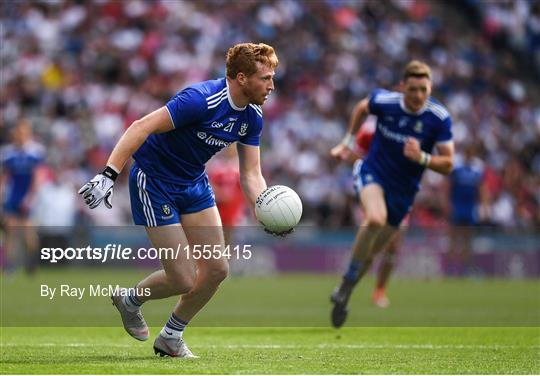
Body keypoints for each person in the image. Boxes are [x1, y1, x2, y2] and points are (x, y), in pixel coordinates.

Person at [78, 43, 280, 357]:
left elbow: (252, 175)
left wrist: (265, 208)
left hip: (194, 182)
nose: (271, 85)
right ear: (241, 78)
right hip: (155, 180)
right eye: (266, 78)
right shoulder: (200, 100)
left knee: (216, 269)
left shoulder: (252, 116)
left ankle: (171, 336)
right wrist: (108, 174)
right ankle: (131, 299)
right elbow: (140, 126)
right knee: (184, 278)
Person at [329, 60, 454, 328]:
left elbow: (448, 164)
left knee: (373, 252)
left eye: (423, 89)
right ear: (402, 87)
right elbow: (362, 107)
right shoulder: (385, 102)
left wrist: (421, 156)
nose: (418, 96)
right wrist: (347, 143)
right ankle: (349, 279)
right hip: (373, 172)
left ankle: (346, 288)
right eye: (413, 89)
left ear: (430, 88)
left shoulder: (439, 118)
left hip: (404, 192)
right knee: (374, 218)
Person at [350, 119, 404, 309]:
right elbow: (355, 155)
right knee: (374, 237)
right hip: (374, 187)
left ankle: (380, 290)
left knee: (394, 244)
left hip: (399, 190)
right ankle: (351, 280)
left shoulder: (411, 127)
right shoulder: (369, 129)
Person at [0, 119, 44, 274]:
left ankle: (31, 264)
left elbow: (37, 177)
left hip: (28, 198)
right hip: (13, 198)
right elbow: (5, 177)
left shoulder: (35, 152)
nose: (20, 135)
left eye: (23, 132)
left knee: (28, 233)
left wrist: (30, 198)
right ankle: (9, 265)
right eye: (18, 132)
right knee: (10, 231)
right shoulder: (8, 153)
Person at [447, 144, 488, 275]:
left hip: (470, 209)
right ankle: (450, 270)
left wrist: (484, 206)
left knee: (467, 241)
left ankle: (465, 270)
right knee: (454, 240)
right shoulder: (457, 169)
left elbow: (481, 189)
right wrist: (448, 204)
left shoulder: (476, 171)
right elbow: (448, 187)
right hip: (457, 207)